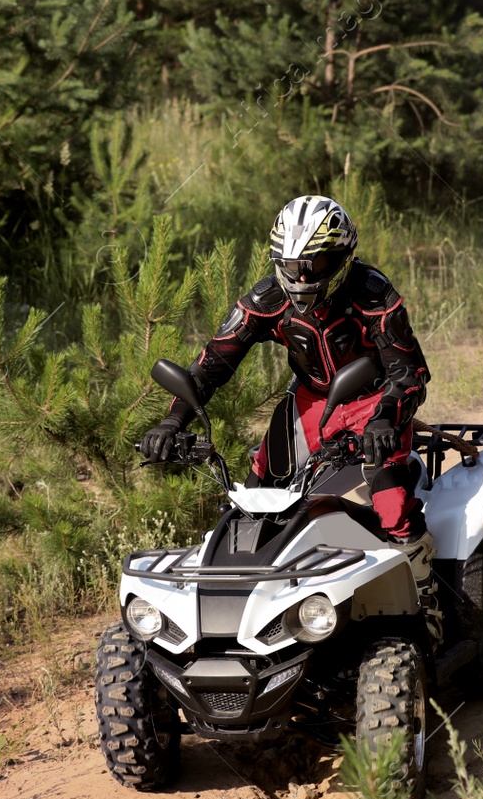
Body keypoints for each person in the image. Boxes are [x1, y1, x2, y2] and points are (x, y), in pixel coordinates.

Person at [139, 195, 440, 636]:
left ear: (340, 258)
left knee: (391, 502)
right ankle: (260, 612)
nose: (300, 276)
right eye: (291, 263)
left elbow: (411, 373)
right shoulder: (266, 299)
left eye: (314, 265)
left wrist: (384, 419)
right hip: (310, 401)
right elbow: (210, 366)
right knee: (256, 497)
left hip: (376, 400)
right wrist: (172, 422)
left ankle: (426, 600)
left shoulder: (374, 295)